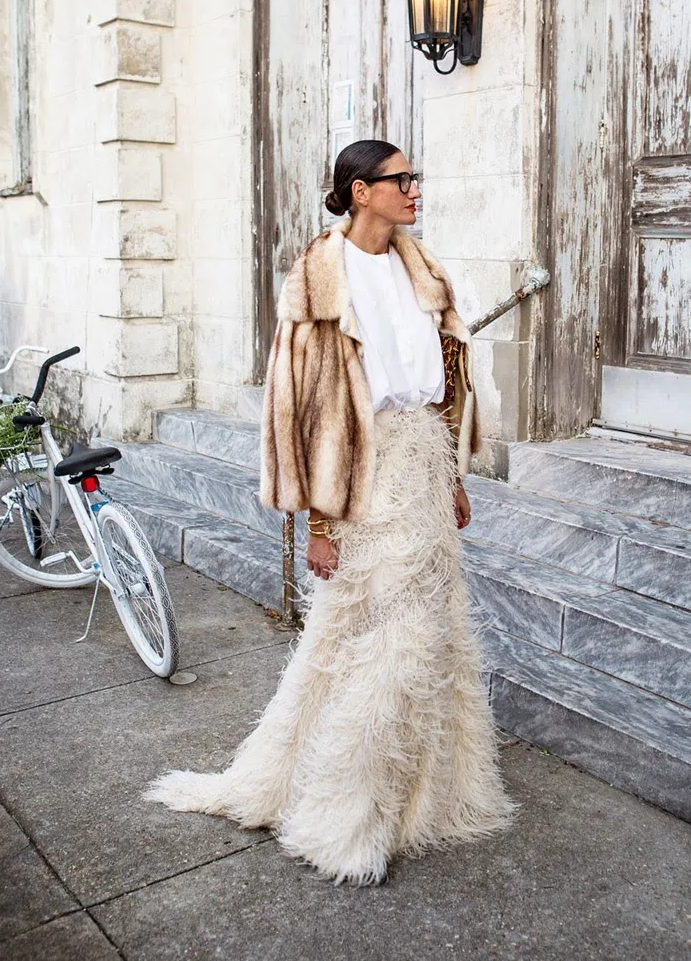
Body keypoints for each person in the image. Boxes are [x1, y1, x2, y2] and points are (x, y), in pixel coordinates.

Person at [145, 140, 515, 885]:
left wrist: (456, 477)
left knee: (420, 643)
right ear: (358, 191)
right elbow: (300, 412)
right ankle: (341, 824)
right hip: (360, 483)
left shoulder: (424, 269)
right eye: (399, 179)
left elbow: (449, 382)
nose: (414, 189)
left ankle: (421, 804)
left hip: (424, 477)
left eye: (415, 176)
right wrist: (315, 524)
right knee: (386, 648)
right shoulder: (318, 280)